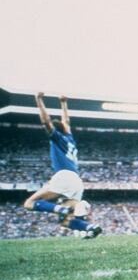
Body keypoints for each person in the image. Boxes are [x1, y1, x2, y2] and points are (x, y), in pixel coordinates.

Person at [23, 93, 102, 238]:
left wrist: (38, 100)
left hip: (64, 176)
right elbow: (67, 121)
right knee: (65, 222)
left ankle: (59, 208)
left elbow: (46, 122)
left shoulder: (56, 137)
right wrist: (63, 103)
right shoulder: (69, 139)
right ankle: (90, 227)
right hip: (77, 181)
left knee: (29, 203)